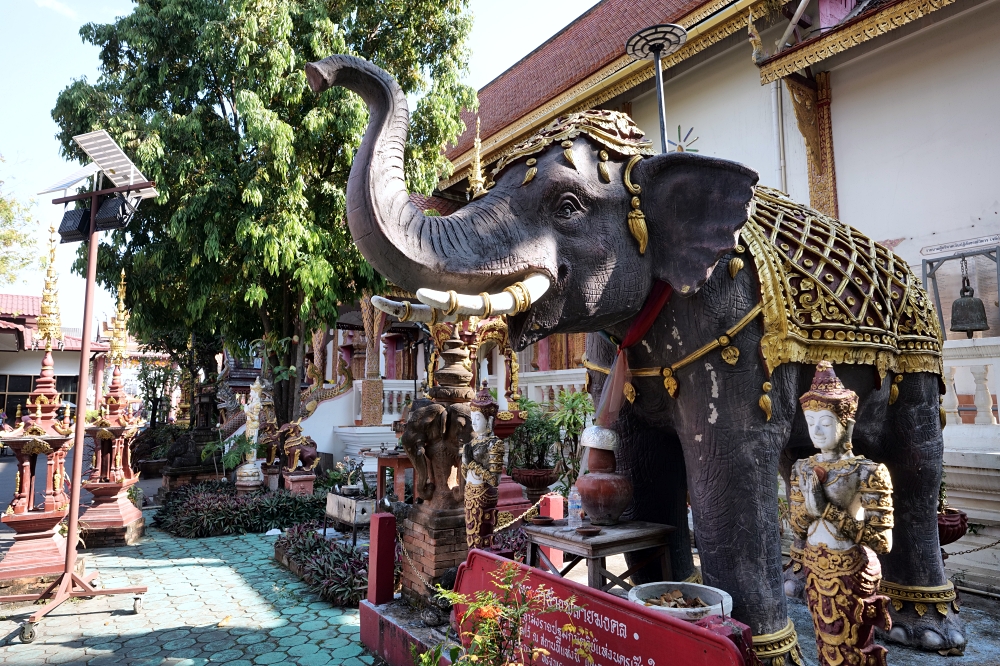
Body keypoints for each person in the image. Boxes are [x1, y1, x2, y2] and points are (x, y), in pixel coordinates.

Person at [788, 361, 894, 666]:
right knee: (824, 643)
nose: (816, 431)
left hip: (853, 573)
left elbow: (881, 540)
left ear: (846, 424)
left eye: (825, 421)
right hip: (814, 569)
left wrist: (827, 512)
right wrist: (809, 513)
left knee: (853, 647)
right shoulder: (802, 468)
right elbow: (796, 528)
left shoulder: (867, 472)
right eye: (810, 422)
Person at [463, 381, 504, 549]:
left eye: (478, 418)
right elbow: (465, 474)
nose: (474, 422)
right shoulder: (472, 443)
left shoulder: (495, 444)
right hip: (469, 493)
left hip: (484, 494)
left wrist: (472, 464)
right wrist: (465, 463)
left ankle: (482, 563)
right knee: (470, 535)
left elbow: (494, 480)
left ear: (489, 419)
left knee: (482, 535)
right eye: (472, 418)